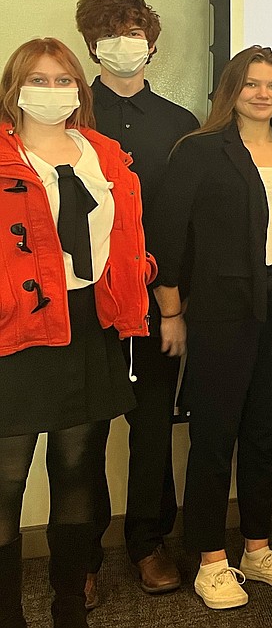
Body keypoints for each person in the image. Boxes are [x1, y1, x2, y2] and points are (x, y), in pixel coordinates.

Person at [151, 46, 272, 609]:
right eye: (252, 84)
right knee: (214, 436)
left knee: (266, 433)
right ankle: (210, 557)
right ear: (231, 90)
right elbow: (168, 239)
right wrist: (171, 312)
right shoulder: (198, 151)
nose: (263, 93)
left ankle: (257, 547)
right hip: (221, 309)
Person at [0, 38, 153, 628]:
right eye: (38, 80)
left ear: (79, 90)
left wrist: (140, 280)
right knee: (5, 482)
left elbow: (126, 237)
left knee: (76, 474)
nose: (52, 91)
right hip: (14, 333)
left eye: (64, 80)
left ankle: (70, 611)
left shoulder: (104, 154)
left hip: (88, 325)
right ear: (14, 90)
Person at [75, 0, 199, 599]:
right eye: (111, 34)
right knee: (88, 429)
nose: (124, 44)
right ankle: (84, 551)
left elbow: (180, 222)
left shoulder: (179, 125)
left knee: (152, 423)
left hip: (156, 299)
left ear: (150, 43)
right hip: (85, 301)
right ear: (91, 45)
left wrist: (173, 307)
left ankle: (149, 542)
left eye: (133, 32)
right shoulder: (70, 119)